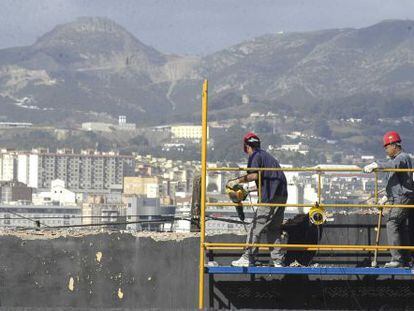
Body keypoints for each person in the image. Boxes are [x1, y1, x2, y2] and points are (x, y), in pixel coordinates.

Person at [227, 132, 288, 267]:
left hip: (269, 198)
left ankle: (248, 257)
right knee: (274, 229)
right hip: (281, 196)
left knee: (255, 227)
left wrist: (237, 181)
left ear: (246, 146)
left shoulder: (255, 156)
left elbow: (254, 175)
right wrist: (250, 190)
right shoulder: (267, 157)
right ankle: (278, 260)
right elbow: (267, 179)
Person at [363, 131, 414, 267]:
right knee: (402, 226)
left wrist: (376, 165)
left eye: (387, 147)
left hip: (402, 198)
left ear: (394, 145)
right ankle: (406, 258)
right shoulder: (396, 159)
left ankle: (397, 259)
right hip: (398, 197)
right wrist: (386, 196)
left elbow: (393, 167)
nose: (386, 150)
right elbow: (394, 180)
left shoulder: (402, 157)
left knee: (392, 222)